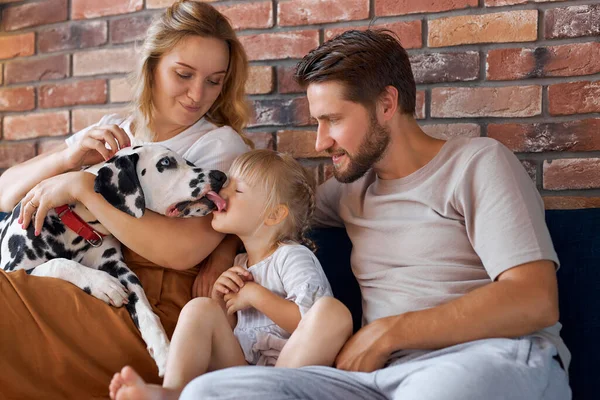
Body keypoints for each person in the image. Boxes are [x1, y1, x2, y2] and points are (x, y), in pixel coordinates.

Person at [179, 30, 572, 400]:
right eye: (318, 122)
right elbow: (265, 214)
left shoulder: (477, 163)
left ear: (386, 103)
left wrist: (388, 332)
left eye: (332, 120)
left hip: (483, 358)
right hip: (377, 380)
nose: (320, 142)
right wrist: (221, 254)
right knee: (208, 392)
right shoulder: (351, 189)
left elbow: (533, 299)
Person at [0, 1, 253, 398]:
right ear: (152, 66)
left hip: (147, 309)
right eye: (183, 74)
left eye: (214, 81)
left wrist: (83, 189)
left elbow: (181, 251)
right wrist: (68, 158)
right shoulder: (113, 130)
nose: (196, 94)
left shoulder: (218, 144)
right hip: (83, 281)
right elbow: (5, 192)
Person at [108, 149, 353, 400]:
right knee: (200, 308)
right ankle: (172, 392)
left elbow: (307, 321)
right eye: (228, 185)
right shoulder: (239, 263)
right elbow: (234, 333)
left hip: (290, 376)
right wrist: (220, 301)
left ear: (273, 215)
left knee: (331, 313)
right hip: (245, 375)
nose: (222, 192)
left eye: (238, 190)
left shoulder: (291, 256)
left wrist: (256, 295)